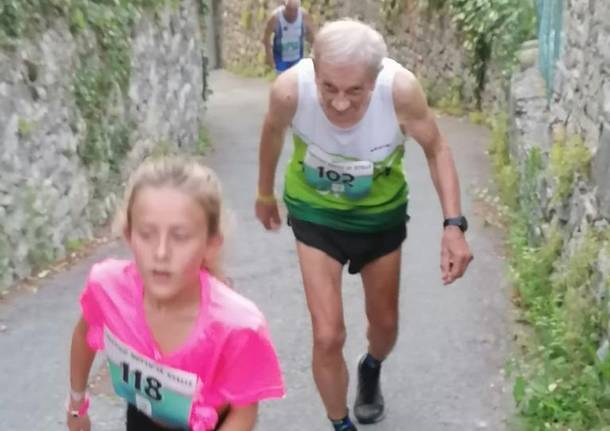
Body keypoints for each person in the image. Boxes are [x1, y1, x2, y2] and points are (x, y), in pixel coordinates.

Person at [255, 19, 473, 431]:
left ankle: (371, 366)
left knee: (385, 325)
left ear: (376, 77)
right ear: (314, 70)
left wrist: (453, 225)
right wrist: (264, 193)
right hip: (315, 213)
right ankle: (340, 424)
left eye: (355, 91)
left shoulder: (400, 91)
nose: (339, 104)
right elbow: (271, 131)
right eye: (329, 89)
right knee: (327, 334)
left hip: (379, 217)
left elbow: (437, 148)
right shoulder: (289, 90)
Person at [67, 157, 285, 431]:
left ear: (211, 244)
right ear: (128, 235)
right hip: (143, 418)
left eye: (180, 236)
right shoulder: (107, 288)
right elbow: (84, 335)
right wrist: (76, 405)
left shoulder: (238, 327)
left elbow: (244, 411)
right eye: (146, 234)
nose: (160, 253)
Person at [263, 0, 315, 74]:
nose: (292, 14)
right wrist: (269, 57)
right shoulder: (275, 17)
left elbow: (313, 36)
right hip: (280, 60)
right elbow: (266, 38)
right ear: (284, 6)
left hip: (297, 58)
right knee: (283, 82)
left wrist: (313, 53)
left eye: (295, 10)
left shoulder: (304, 15)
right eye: (289, 10)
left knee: (296, 82)